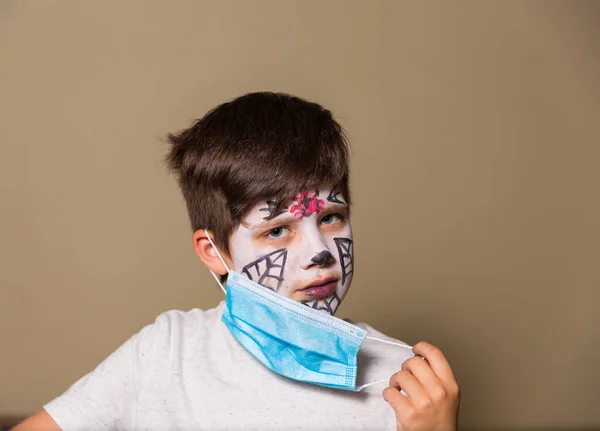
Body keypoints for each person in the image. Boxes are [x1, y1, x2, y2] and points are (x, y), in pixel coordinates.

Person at [15, 92, 460, 431]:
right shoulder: (167, 350)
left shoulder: (407, 386)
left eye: (331, 217)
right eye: (276, 230)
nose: (319, 251)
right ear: (214, 251)